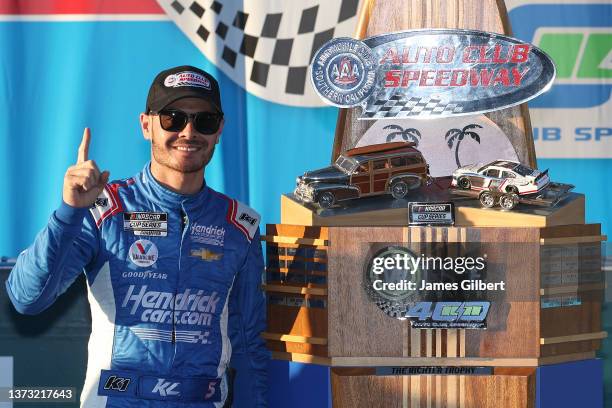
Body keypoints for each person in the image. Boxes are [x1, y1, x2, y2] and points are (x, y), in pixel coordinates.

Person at [5, 65, 269, 407]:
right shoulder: (103, 208)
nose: (188, 132)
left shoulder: (239, 225)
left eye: (203, 121)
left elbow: (249, 346)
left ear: (219, 129)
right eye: (173, 118)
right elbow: (27, 298)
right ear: (147, 125)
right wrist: (70, 211)